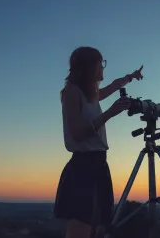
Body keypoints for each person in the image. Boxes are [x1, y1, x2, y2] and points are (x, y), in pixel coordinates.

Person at [53, 46, 143, 238]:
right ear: (89, 66)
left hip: (99, 164)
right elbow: (77, 134)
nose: (103, 68)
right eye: (100, 63)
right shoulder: (72, 92)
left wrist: (131, 76)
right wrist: (110, 113)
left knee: (98, 228)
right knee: (81, 228)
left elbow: (113, 85)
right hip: (83, 166)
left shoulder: (91, 93)